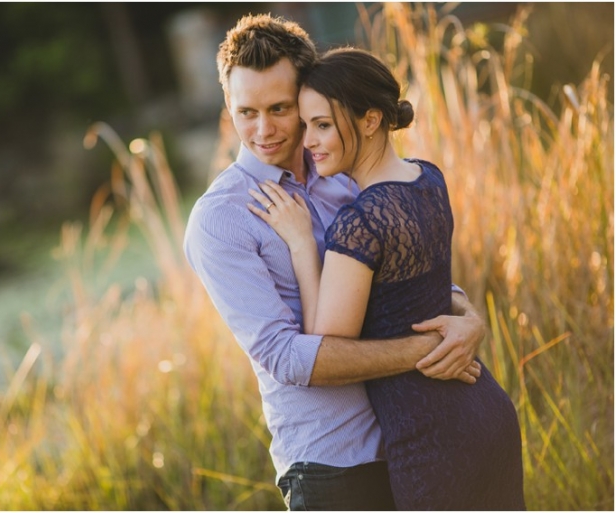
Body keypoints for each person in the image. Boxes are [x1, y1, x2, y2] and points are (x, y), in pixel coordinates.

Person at [184, 14, 486, 511]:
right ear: (227, 106)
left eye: (281, 109)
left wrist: (466, 316)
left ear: (307, 95)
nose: (263, 130)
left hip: (418, 433)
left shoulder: (346, 173)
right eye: (246, 112)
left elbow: (399, 278)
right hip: (333, 465)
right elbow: (286, 357)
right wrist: (428, 349)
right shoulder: (221, 221)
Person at [247, 47, 525, 510]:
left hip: (433, 434)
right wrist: (471, 318)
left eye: (322, 125)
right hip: (486, 410)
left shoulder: (362, 221)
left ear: (371, 120)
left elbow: (326, 340)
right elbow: (420, 290)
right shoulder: (429, 179)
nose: (308, 142)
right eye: (306, 124)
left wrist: (301, 244)